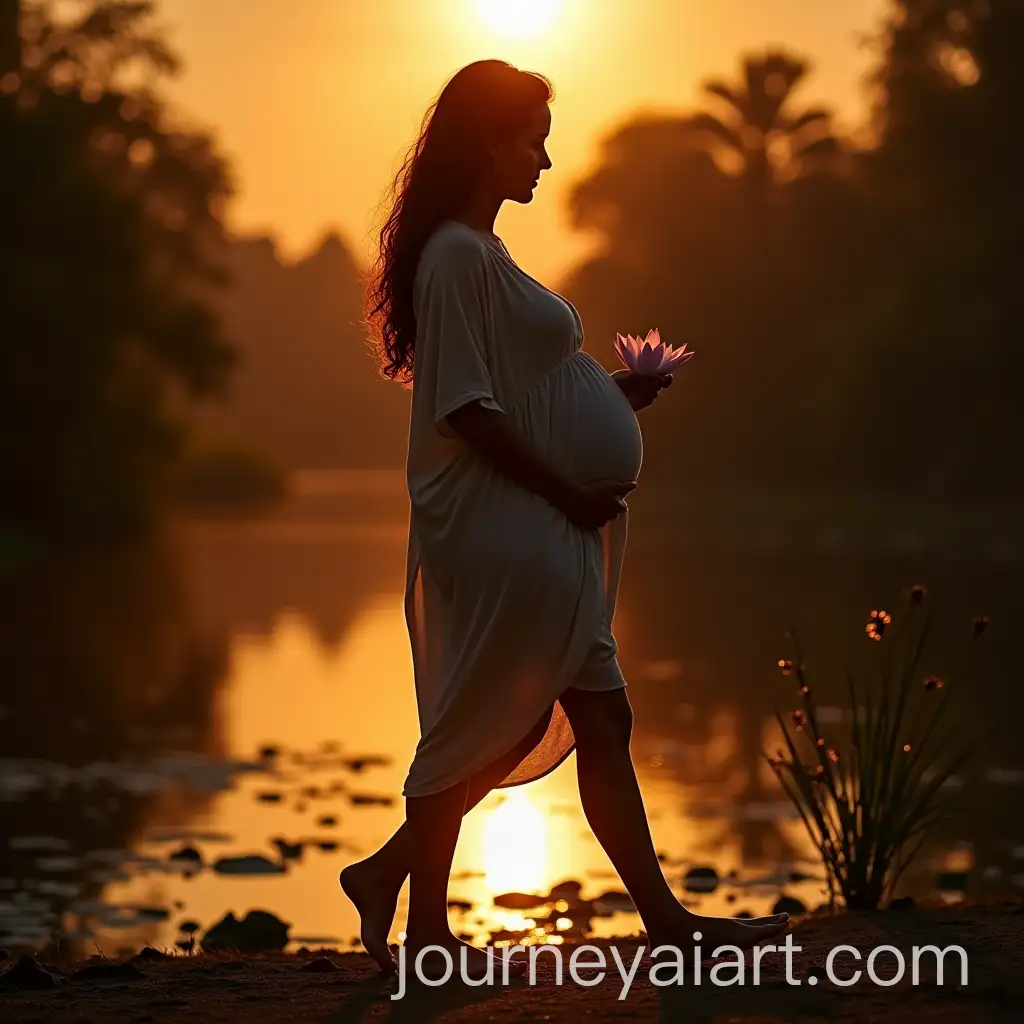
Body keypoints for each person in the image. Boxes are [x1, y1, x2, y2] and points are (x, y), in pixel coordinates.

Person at [342, 59, 789, 977]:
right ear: (488, 143)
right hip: (506, 523)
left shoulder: (485, 253)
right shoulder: (458, 256)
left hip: (542, 521)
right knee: (485, 720)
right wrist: (568, 492)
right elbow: (466, 410)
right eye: (533, 140)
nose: (545, 160)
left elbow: (526, 389)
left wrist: (614, 394)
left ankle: (659, 922)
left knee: (601, 716)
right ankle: (422, 922)